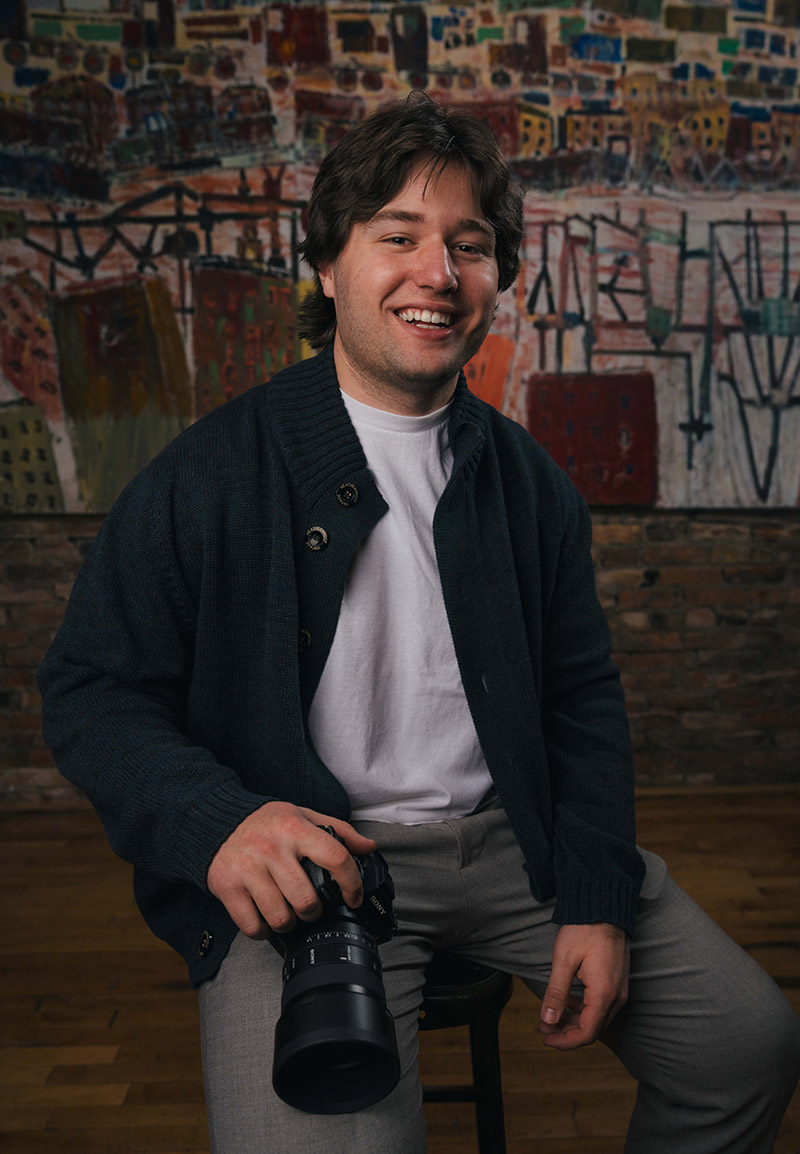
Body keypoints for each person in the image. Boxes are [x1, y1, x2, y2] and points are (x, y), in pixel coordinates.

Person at [38, 93, 799, 1154]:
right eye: (397, 236)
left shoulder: (529, 483)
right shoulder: (208, 474)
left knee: (748, 1046)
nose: (437, 273)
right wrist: (216, 820)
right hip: (316, 865)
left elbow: (580, 696)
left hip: (511, 844)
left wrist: (590, 892)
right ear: (327, 266)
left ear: (493, 278)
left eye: (469, 246)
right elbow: (89, 686)